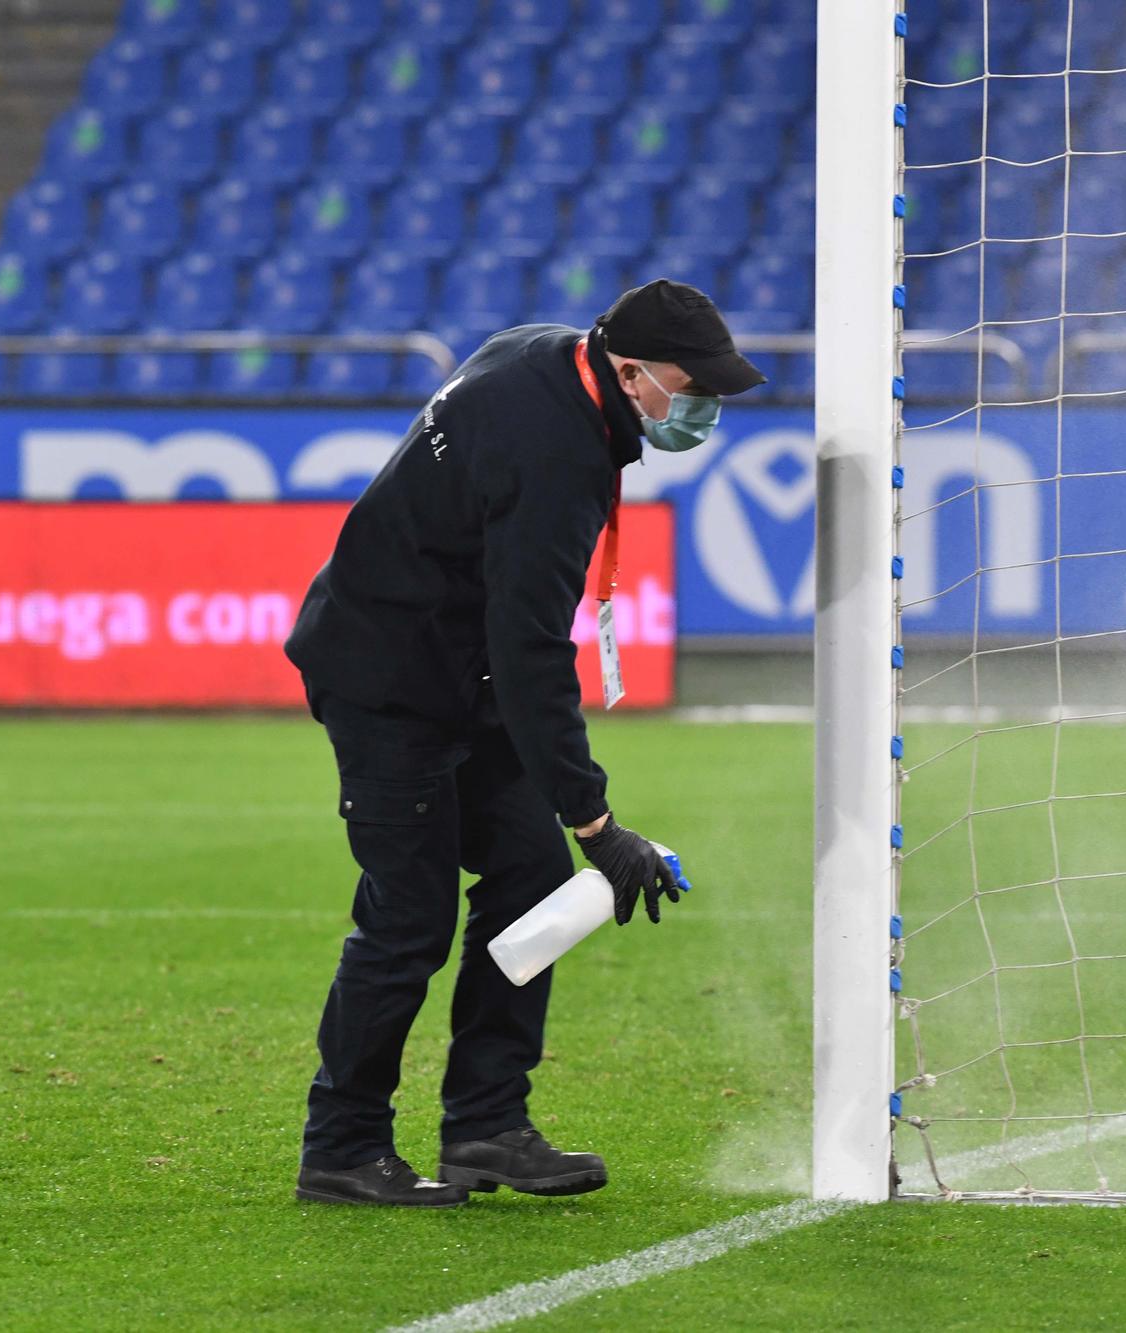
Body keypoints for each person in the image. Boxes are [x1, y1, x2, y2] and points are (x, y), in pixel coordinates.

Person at [285, 280, 766, 1208]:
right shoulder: (555, 454)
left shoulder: (545, 353)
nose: (703, 403)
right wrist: (597, 824)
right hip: (389, 681)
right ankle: (341, 1145)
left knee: (531, 879)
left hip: (451, 671)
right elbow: (533, 650)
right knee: (408, 918)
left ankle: (486, 1126)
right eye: (691, 384)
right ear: (629, 373)